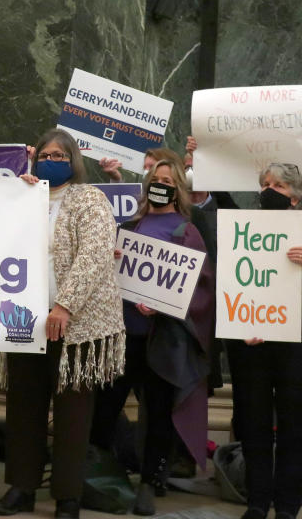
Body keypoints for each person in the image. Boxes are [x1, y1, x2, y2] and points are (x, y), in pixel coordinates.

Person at [0, 128, 125, 519]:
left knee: (72, 414)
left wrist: (64, 306)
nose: (52, 159)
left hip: (78, 325)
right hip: (25, 318)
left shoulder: (90, 198)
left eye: (60, 155)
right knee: (23, 407)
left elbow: (95, 253)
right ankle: (22, 487)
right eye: (45, 154)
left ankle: (68, 496)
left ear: (73, 160)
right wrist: (14, 194)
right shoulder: (24, 196)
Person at [89, 157, 214, 515]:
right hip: (123, 336)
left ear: (177, 189)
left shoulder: (187, 230)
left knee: (158, 413)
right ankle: (101, 476)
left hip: (162, 341)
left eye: (168, 180)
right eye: (155, 179)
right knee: (106, 408)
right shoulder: (129, 225)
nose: (161, 184)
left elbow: (199, 285)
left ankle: (148, 481)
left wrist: (165, 305)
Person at [226, 163, 302, 519]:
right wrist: (243, 318)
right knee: (254, 421)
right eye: (265, 183)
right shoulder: (242, 232)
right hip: (254, 341)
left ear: (295, 198)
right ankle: (257, 501)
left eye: (278, 184)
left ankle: (288, 505)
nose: (269, 189)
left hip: (298, 341)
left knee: (293, 425)